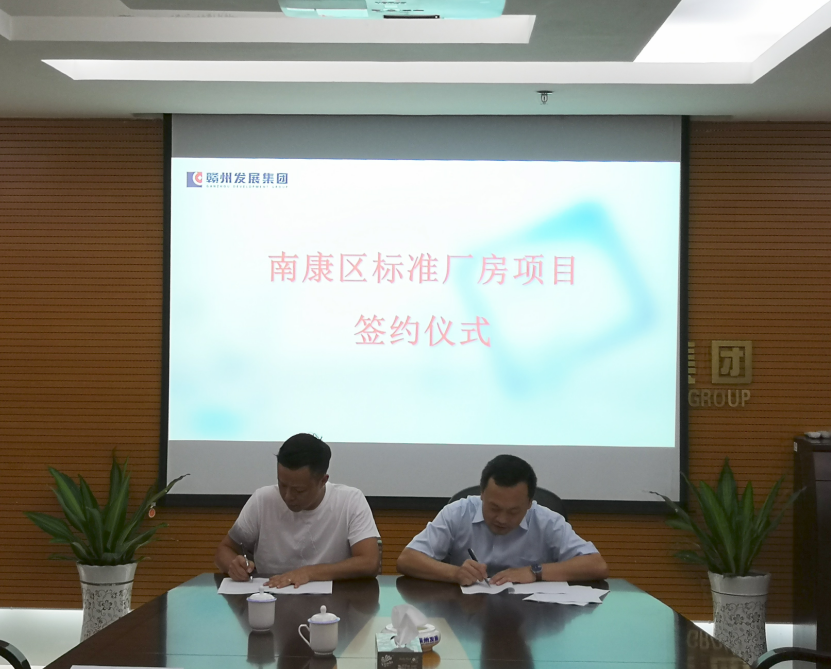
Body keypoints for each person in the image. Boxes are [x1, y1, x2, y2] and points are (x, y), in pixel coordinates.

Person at [396, 454, 608, 585]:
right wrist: (455, 573)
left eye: (513, 511)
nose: (502, 519)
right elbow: (407, 560)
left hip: (531, 616)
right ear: (482, 494)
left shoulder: (547, 521)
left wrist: (534, 572)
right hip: (466, 616)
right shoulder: (458, 512)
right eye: (494, 508)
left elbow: (597, 565)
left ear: (529, 503)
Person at [215, 433, 380, 588]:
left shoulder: (350, 501)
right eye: (282, 484)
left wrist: (310, 572)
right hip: (271, 597)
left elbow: (369, 562)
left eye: (299, 490)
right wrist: (233, 566)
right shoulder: (263, 500)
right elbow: (225, 550)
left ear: (323, 481)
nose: (288, 496)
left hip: (332, 603)